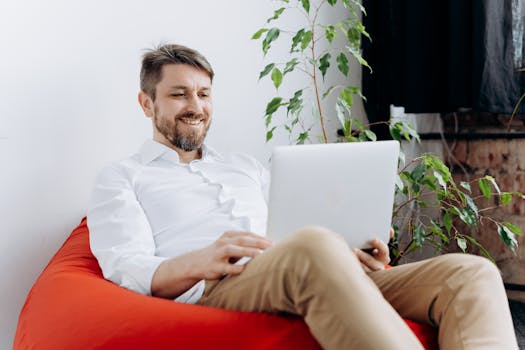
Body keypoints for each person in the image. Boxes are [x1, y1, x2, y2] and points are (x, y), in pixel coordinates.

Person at [87, 43, 519, 350]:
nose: (195, 105)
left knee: (471, 273)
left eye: (203, 93)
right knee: (313, 246)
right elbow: (126, 266)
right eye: (178, 94)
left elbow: (298, 223)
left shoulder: (245, 167)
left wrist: (353, 243)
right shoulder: (122, 178)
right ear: (147, 104)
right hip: (219, 287)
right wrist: (202, 259)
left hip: (308, 269)